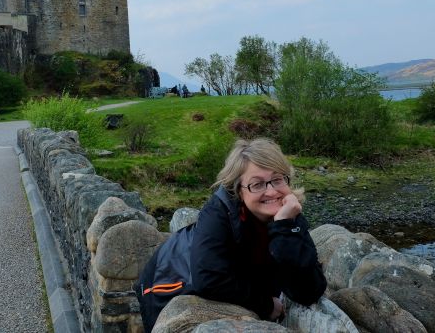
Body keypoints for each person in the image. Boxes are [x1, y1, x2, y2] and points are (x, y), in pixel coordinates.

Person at [135, 138, 327, 332]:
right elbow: (207, 279)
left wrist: (284, 227)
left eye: (277, 179)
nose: (271, 191)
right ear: (239, 190)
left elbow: (310, 291)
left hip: (233, 282)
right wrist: (265, 305)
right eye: (257, 184)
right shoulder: (219, 212)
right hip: (168, 285)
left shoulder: (287, 213)